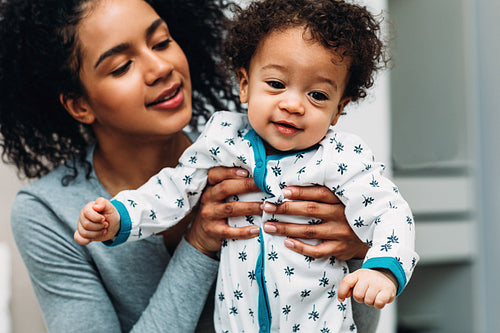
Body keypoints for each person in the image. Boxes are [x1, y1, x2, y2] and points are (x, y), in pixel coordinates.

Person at [0, 0, 379, 332]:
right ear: (79, 105)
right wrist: (199, 244)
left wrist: (358, 253)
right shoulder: (47, 213)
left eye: (162, 41)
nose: (160, 67)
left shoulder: (253, 152)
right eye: (120, 67)